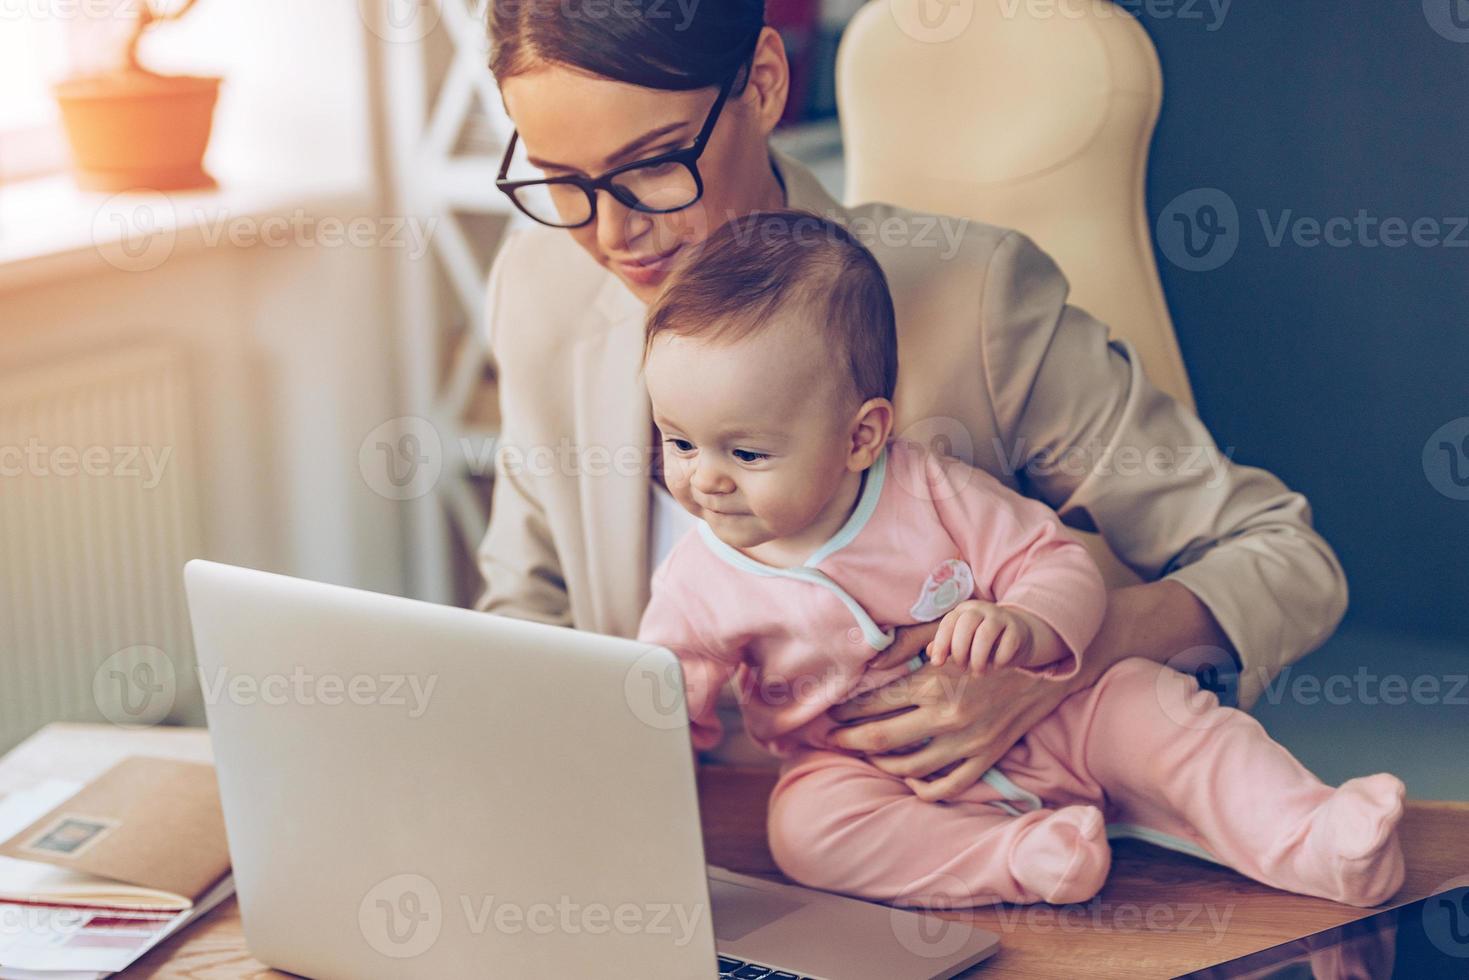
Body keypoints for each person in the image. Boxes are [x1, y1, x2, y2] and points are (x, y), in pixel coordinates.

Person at [477, 0, 1347, 799]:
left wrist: (1053, 656)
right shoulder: (539, 286)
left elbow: (1282, 559)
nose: (610, 232)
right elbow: (527, 608)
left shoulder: (974, 300)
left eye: (654, 165)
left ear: (763, 85)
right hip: (677, 847)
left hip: (949, 837)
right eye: (560, 179)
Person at [635, 210, 1405, 909]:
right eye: (677, 441)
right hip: (868, 771)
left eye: (745, 451)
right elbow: (662, 707)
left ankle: (1318, 838)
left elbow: (1056, 563)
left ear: (860, 437)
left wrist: (1027, 626)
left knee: (1162, 712)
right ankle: (1021, 857)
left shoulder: (929, 490)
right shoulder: (697, 583)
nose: (704, 478)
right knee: (806, 830)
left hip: (1057, 717)